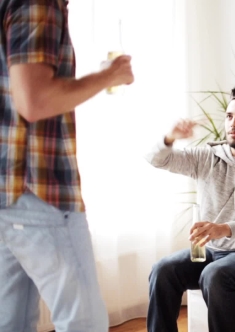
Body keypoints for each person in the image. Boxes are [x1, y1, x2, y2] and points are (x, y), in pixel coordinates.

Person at [0, 0, 134, 331]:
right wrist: (109, 75)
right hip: (38, 192)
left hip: (7, 193)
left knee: (10, 322)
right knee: (84, 323)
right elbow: (34, 100)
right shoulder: (38, 3)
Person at [146, 84, 235, 332]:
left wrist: (224, 228)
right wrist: (169, 138)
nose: (233, 123)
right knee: (162, 270)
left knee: (214, 275)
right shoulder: (207, 157)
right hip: (207, 251)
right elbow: (156, 159)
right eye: (229, 116)